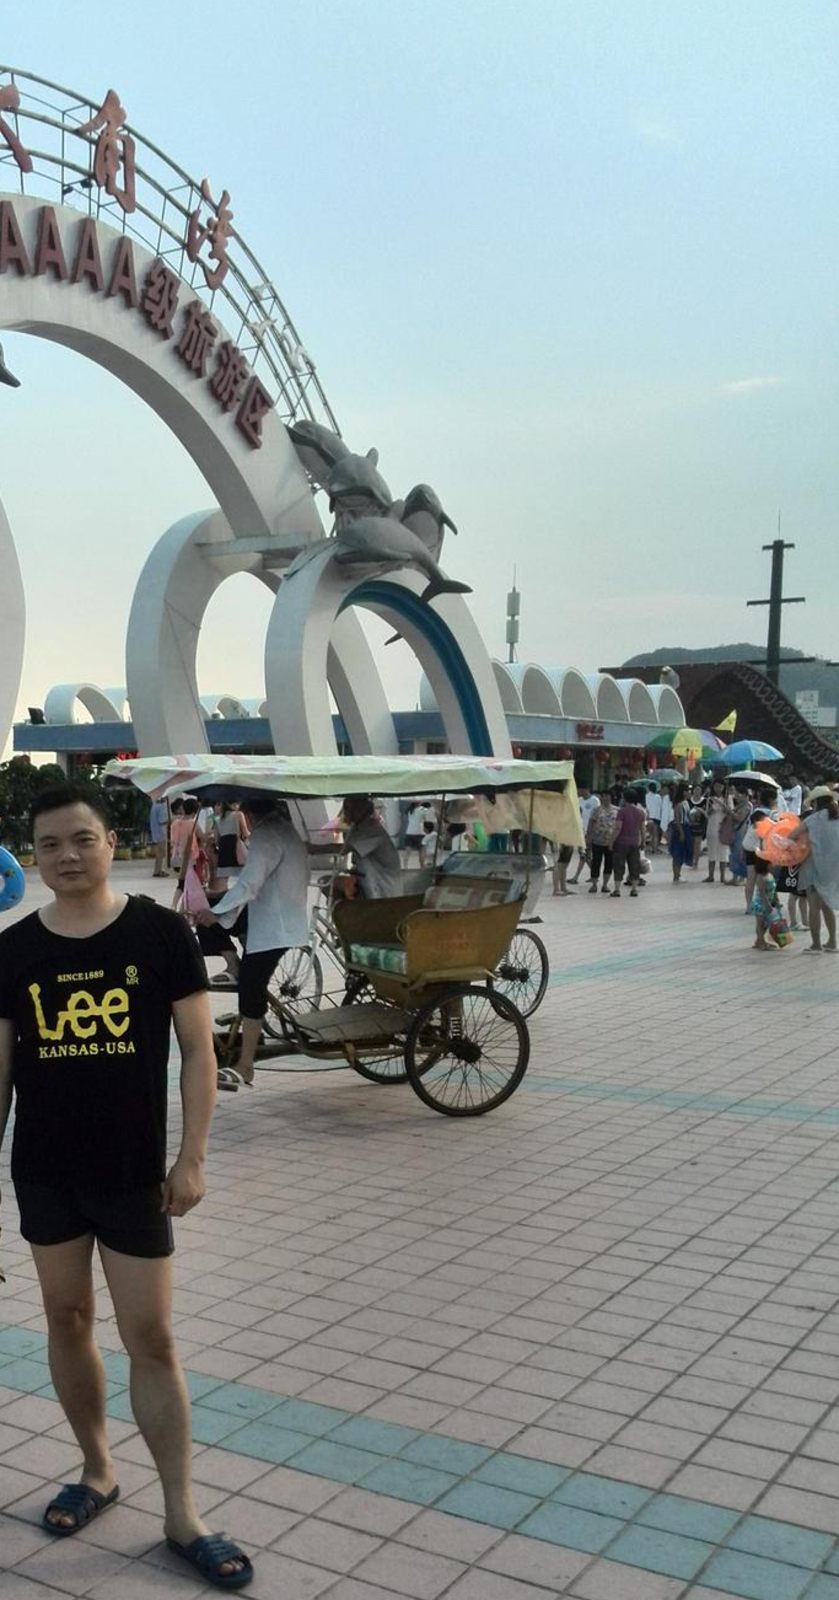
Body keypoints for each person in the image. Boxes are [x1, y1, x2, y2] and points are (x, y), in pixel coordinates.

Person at [0, 785, 252, 1588]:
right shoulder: (12, 950)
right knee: (66, 1319)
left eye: (82, 838)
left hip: (132, 1170)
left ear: (111, 842)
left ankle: (182, 1513)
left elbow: (199, 1051)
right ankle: (97, 1468)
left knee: (153, 1338)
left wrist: (193, 1156)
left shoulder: (159, 931)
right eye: (49, 844)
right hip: (45, 1172)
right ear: (33, 857)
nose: (67, 855)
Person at [198, 795, 310, 1084]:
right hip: (278, 915)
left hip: (275, 927)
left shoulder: (267, 835)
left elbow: (249, 884)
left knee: (251, 989)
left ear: (248, 813)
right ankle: (233, 966)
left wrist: (216, 912)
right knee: (208, 914)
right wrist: (217, 906)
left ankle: (246, 1065)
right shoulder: (285, 830)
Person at [791, 787, 839, 952]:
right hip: (832, 869)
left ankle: (816, 944)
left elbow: (791, 836)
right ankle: (832, 942)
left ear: (816, 802)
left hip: (813, 868)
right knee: (827, 906)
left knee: (814, 907)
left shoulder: (812, 819)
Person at [341, 796, 403, 898]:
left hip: (384, 888)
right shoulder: (358, 827)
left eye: (347, 808)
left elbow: (345, 849)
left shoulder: (371, 829)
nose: (345, 812)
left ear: (359, 810)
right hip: (369, 881)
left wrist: (316, 848)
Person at [611, 787, 646, 898]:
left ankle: (617, 890)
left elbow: (618, 828)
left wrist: (611, 842)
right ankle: (634, 889)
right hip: (635, 842)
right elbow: (642, 829)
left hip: (621, 843)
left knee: (619, 866)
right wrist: (643, 841)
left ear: (625, 798)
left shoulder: (621, 812)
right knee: (634, 866)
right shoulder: (640, 812)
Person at [587, 789, 620, 894]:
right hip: (597, 840)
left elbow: (619, 826)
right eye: (602, 796)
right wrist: (588, 837)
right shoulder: (596, 810)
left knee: (609, 863)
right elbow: (591, 824)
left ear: (611, 798)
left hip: (611, 841)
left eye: (607, 796)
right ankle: (594, 884)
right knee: (596, 863)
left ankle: (605, 885)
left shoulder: (617, 810)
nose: (604, 798)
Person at [750, 855, 781, 951]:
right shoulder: (761, 877)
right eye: (771, 863)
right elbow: (762, 893)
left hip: (769, 903)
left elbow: (774, 890)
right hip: (760, 904)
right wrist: (768, 905)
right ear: (765, 865)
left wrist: (776, 900)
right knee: (760, 924)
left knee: (766, 924)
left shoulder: (770, 875)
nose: (774, 865)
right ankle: (761, 942)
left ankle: (759, 940)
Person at [569, 784, 599, 884]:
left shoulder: (595, 801)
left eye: (580, 790)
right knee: (584, 855)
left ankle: (581, 877)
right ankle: (594, 875)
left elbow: (597, 816)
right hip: (581, 831)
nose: (579, 792)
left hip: (590, 831)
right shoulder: (579, 800)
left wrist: (592, 832)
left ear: (586, 789)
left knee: (584, 855)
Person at [704, 779, 732, 883]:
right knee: (711, 851)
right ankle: (710, 876)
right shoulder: (710, 798)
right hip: (712, 826)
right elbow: (706, 813)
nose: (718, 788)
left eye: (720, 786)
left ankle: (722, 876)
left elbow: (731, 812)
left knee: (723, 852)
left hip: (723, 827)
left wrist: (724, 807)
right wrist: (712, 809)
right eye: (716, 786)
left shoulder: (727, 798)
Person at [215, 801, 249, 884]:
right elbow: (246, 834)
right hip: (236, 849)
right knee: (241, 879)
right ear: (233, 804)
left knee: (226, 882)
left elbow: (216, 841)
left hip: (223, 851)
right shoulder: (238, 814)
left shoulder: (218, 820)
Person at [668, 782, 694, 882]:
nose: (689, 793)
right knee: (677, 853)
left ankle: (678, 874)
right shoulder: (678, 805)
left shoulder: (686, 803)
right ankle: (676, 875)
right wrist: (681, 832)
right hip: (681, 828)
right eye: (688, 791)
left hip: (686, 827)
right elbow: (677, 820)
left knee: (682, 852)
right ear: (683, 792)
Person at [149, 797, 170, 878]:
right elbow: (162, 821)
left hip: (156, 832)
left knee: (159, 852)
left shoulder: (154, 805)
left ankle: (157, 870)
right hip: (161, 833)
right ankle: (158, 870)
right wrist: (170, 821)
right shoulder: (160, 807)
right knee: (161, 852)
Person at [645, 785, 663, 853]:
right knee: (655, 834)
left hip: (648, 816)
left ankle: (649, 848)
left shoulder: (646, 796)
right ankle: (654, 849)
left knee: (649, 834)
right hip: (656, 817)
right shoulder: (658, 796)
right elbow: (661, 806)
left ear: (648, 788)